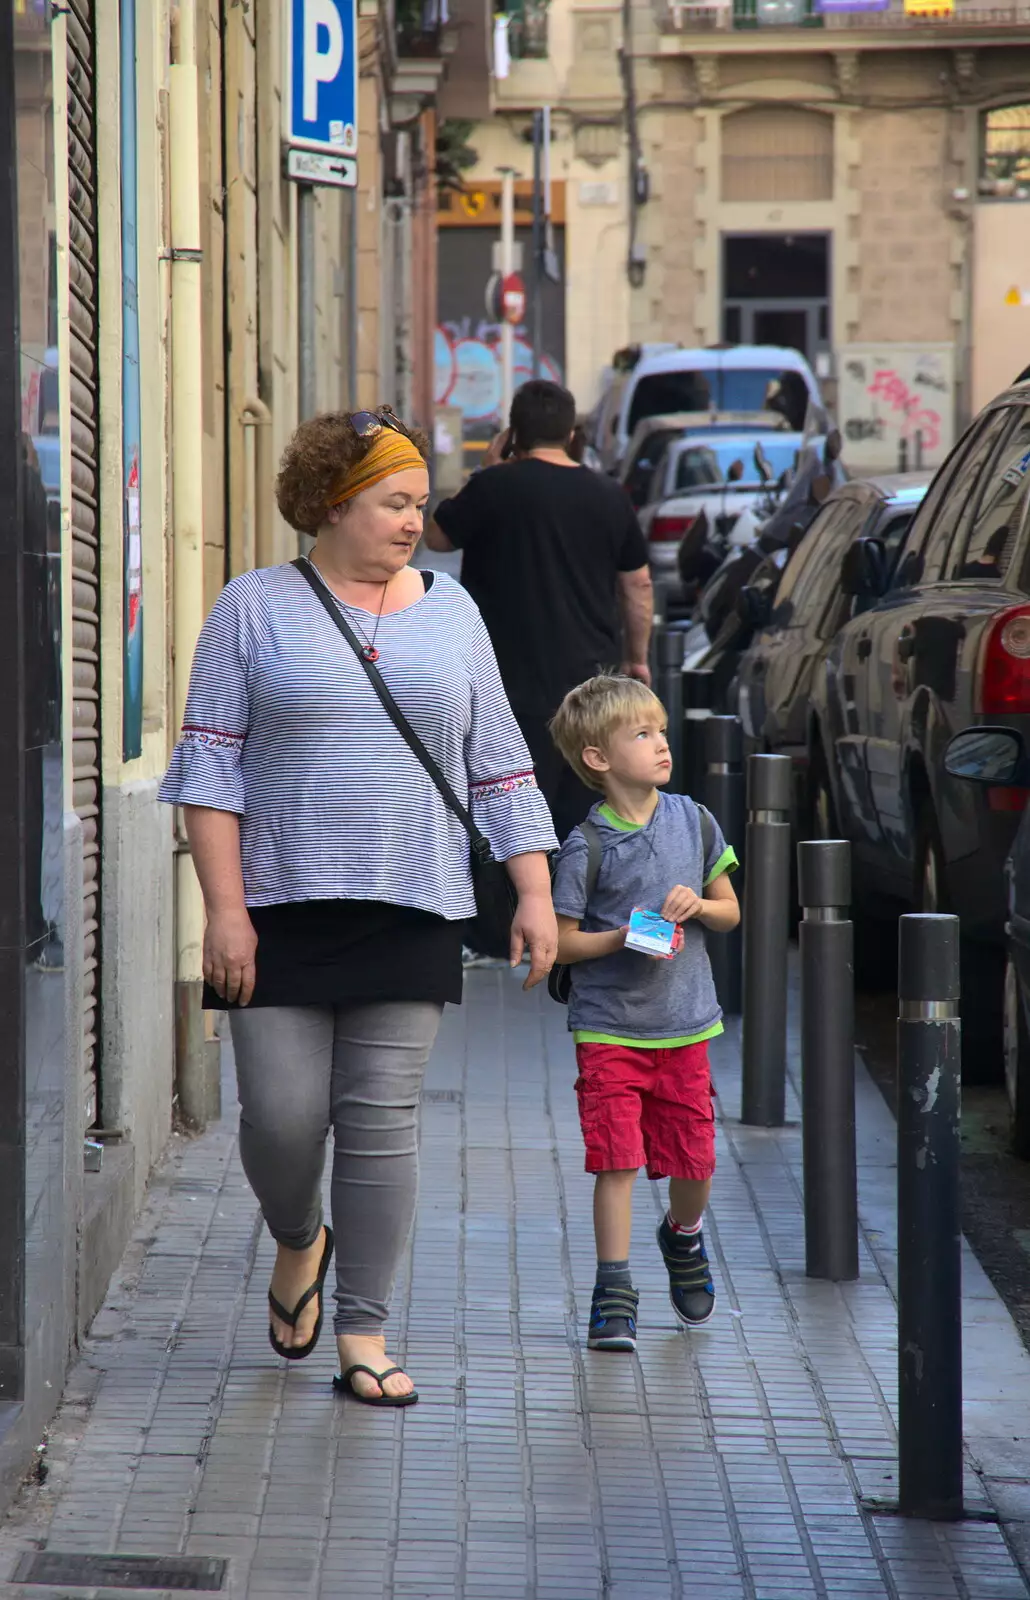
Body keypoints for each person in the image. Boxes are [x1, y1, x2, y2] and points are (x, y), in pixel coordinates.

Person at [159, 407, 558, 1407]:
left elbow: (500, 766)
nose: (411, 522)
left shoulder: (453, 615)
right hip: (279, 907)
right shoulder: (253, 608)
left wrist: (533, 892)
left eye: (420, 504)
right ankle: (300, 1238)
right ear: (333, 504)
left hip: (414, 902)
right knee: (283, 1122)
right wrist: (225, 910)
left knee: (380, 1125)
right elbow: (210, 768)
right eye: (393, 503)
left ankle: (364, 1331)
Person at [548, 674, 740, 1352]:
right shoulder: (587, 847)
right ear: (598, 758)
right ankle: (613, 1290)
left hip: (685, 1026)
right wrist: (622, 936)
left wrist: (699, 906)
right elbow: (561, 942)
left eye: (660, 730)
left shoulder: (694, 819)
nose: (661, 744)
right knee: (616, 1161)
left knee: (695, 1162)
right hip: (609, 1029)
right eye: (642, 734)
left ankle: (683, 1237)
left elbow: (731, 909)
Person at [424, 379, 654, 844]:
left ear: (513, 435)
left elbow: (436, 538)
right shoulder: (610, 495)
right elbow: (638, 585)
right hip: (588, 679)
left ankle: (517, 904)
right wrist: (637, 658)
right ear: (571, 433)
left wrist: (483, 472)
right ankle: (574, 908)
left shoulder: (492, 487)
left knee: (507, 806)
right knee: (585, 809)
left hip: (501, 681)